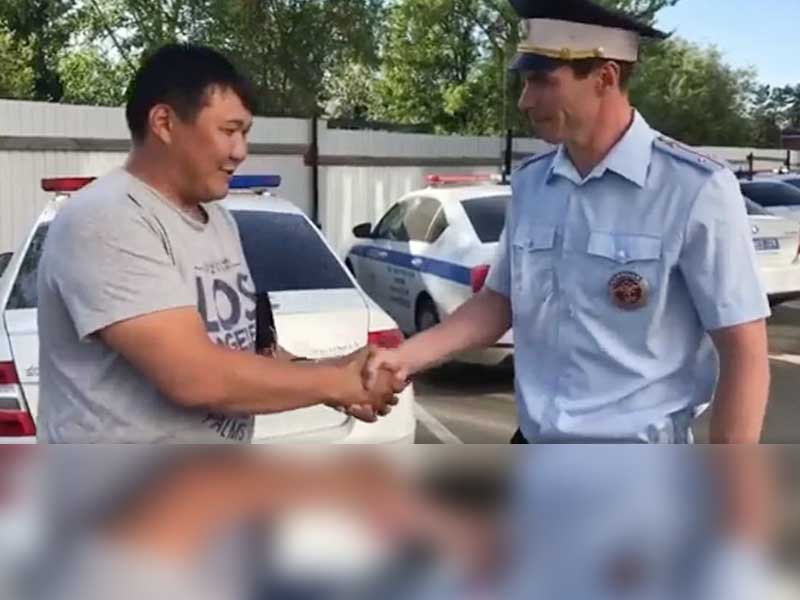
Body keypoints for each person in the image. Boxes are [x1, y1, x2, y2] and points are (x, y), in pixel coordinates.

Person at [367, 0, 771, 443]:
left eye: (542, 81)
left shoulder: (693, 189)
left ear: (605, 77)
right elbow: (498, 302)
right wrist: (404, 358)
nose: (525, 100)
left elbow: (744, 350)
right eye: (526, 82)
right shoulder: (532, 183)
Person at [36, 44, 397, 443]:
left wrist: (337, 370)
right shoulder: (107, 218)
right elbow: (193, 375)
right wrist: (336, 383)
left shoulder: (217, 220)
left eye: (245, 133)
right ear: (164, 123)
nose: (241, 151)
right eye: (229, 131)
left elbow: (244, 353)